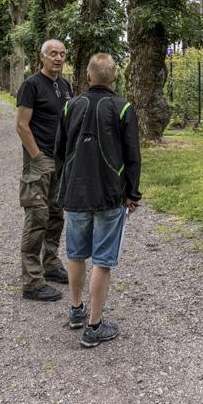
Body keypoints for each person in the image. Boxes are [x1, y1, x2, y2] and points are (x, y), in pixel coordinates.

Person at [54, 53, 141, 348]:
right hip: (109, 195)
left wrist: (64, 185)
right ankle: (94, 326)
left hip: (76, 193)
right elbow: (132, 157)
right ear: (115, 78)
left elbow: (60, 152)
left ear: (88, 77)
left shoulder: (71, 105)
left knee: (76, 254)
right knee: (102, 260)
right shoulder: (123, 108)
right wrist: (133, 193)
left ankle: (77, 309)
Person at [15, 39, 72, 301]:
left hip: (60, 161)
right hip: (40, 162)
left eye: (61, 54)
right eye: (53, 54)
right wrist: (38, 157)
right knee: (37, 218)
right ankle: (32, 281)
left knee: (56, 215)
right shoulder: (31, 85)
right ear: (42, 57)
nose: (58, 58)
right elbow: (22, 126)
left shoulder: (64, 85)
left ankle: (50, 264)